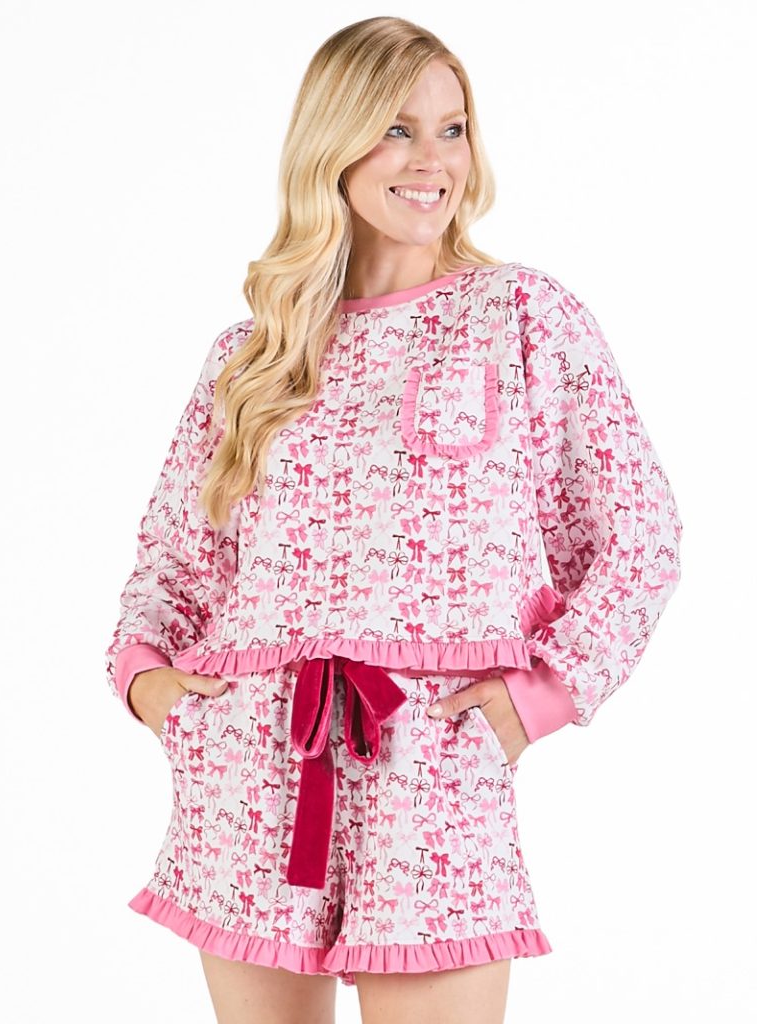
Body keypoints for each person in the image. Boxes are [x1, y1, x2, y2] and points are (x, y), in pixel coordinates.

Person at [105, 15, 683, 1024]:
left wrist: (543, 694)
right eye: (396, 130)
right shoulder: (251, 357)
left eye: (452, 130)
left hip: (431, 774)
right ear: (331, 146)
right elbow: (174, 561)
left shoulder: (521, 318)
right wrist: (150, 683)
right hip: (249, 774)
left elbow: (640, 533)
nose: (433, 161)